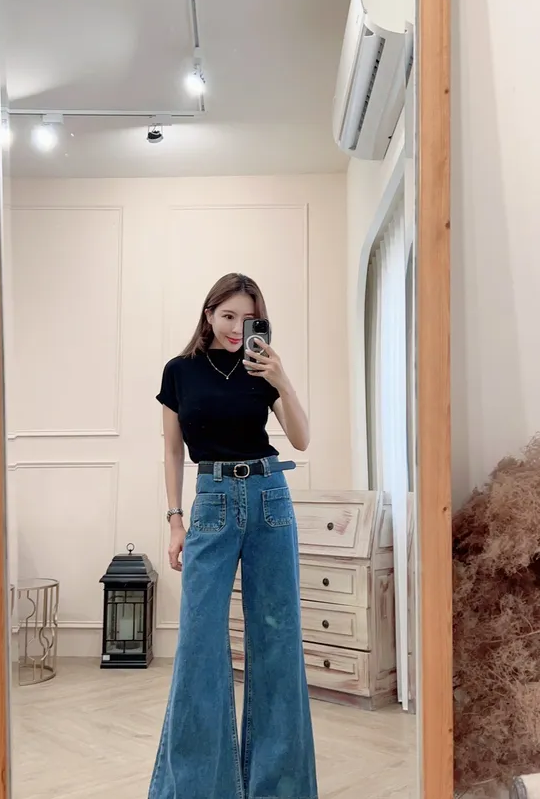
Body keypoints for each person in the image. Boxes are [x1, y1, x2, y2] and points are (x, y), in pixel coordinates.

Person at [148, 272, 318, 799]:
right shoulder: (179, 371)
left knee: (277, 641)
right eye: (227, 316)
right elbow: (172, 450)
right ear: (208, 314)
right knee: (199, 642)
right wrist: (175, 519)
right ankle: (200, 787)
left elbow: (301, 439)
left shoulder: (261, 368)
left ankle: (279, 788)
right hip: (212, 503)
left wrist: (282, 379)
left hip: (270, 499)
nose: (236, 329)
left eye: (249, 320)